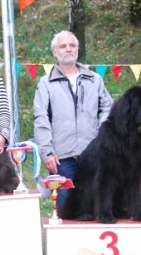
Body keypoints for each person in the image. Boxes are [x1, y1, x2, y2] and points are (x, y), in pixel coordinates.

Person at [33, 30, 113, 209]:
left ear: (77, 49)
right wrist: (46, 152)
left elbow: (108, 109)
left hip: (94, 153)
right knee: (66, 207)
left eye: (72, 45)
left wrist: (102, 137)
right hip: (62, 157)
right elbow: (41, 118)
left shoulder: (95, 79)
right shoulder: (45, 83)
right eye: (63, 46)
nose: (68, 49)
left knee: (97, 203)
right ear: (55, 52)